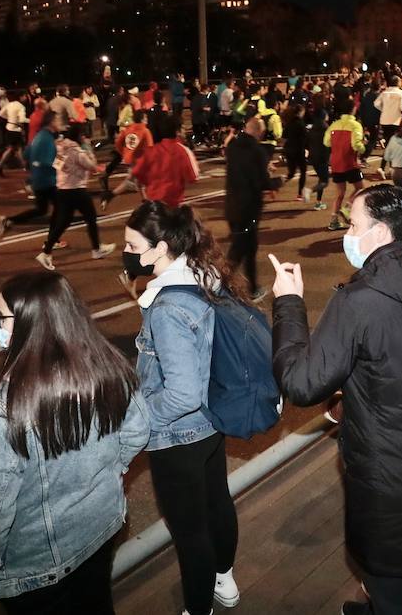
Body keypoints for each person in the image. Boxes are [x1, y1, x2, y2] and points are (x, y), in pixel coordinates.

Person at [268, 185, 402, 615]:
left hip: (390, 476)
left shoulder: (359, 301)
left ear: (382, 232)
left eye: (353, 225)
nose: (347, 234)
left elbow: (301, 382)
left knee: (394, 583)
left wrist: (289, 304)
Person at [0, 272, 150, 613]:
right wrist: (105, 471)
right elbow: (138, 429)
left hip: (39, 562)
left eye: (3, 319)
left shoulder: (6, 408)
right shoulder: (107, 367)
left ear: (32, 324)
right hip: (100, 528)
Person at [123, 201, 243, 615]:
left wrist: (137, 421)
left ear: (159, 248)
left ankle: (198, 606)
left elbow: (180, 394)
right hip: (212, 420)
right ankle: (224, 579)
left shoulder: (169, 306)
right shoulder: (206, 277)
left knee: (190, 529)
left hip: (178, 432)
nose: (126, 251)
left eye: (131, 244)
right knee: (216, 501)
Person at [34, 128, 116, 269]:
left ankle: (46, 252)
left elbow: (58, 165)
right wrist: (89, 150)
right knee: (91, 218)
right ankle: (96, 249)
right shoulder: (77, 151)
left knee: (63, 222)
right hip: (76, 189)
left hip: (63, 189)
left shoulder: (61, 147)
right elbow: (92, 167)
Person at [224, 115, 281, 301]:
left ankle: (253, 288)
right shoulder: (256, 150)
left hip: (232, 204)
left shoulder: (233, 147)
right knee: (241, 249)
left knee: (248, 248)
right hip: (248, 208)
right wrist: (276, 181)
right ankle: (219, 284)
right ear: (257, 131)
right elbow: (260, 182)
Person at [0, 110, 61, 239]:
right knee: (60, 210)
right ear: (51, 122)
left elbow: (26, 154)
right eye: (58, 120)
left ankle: (9, 220)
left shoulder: (38, 136)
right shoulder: (47, 138)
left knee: (41, 209)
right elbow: (47, 162)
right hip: (47, 180)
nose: (60, 122)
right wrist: (63, 164)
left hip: (37, 179)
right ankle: (53, 240)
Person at [324, 99, 367, 231]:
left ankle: (333, 220)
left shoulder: (334, 125)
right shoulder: (355, 125)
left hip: (336, 162)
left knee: (339, 193)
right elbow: (356, 145)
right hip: (349, 162)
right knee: (360, 188)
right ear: (353, 109)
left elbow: (326, 142)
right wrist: (363, 148)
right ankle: (347, 208)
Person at [100, 109, 153, 209]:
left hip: (132, 160)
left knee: (135, 182)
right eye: (145, 118)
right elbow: (150, 148)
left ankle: (146, 201)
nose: (147, 119)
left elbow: (118, 143)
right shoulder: (145, 131)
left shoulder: (127, 129)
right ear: (142, 119)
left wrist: (124, 153)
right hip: (142, 161)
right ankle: (109, 196)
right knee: (135, 182)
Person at [0, 92, 28, 175]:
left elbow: (0, 114)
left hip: (9, 127)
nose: (26, 98)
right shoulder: (21, 107)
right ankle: (25, 166)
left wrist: (9, 119)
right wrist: (31, 120)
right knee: (18, 149)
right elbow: (22, 120)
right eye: (24, 96)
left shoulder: (9, 104)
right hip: (16, 130)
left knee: (12, 149)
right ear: (20, 97)